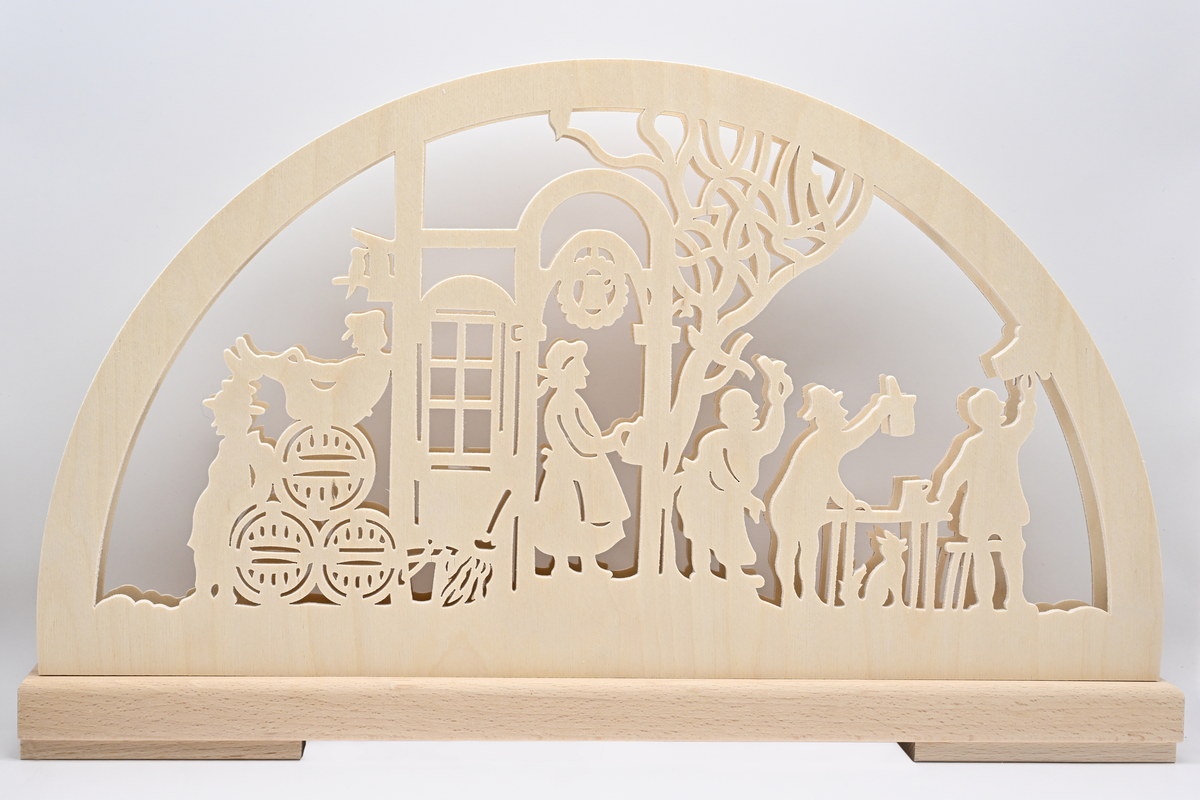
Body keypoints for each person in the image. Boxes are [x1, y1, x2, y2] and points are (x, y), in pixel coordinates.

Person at [766, 377, 910, 604]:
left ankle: (806, 595)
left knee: (808, 548)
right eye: (837, 407)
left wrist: (880, 409)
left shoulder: (829, 438)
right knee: (790, 548)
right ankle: (789, 596)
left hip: (804, 506)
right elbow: (829, 480)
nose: (843, 411)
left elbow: (856, 436)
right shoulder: (821, 441)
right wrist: (848, 501)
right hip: (789, 505)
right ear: (825, 413)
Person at [676, 356, 791, 587]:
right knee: (704, 535)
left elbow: (772, 436)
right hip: (702, 497)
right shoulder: (715, 440)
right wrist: (745, 497)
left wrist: (777, 403)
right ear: (732, 413)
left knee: (732, 535)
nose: (756, 408)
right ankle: (702, 573)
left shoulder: (750, 441)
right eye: (749, 406)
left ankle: (733, 575)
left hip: (729, 501)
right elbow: (719, 477)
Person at [932, 377, 1037, 610]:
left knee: (999, 552)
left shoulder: (982, 442)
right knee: (1001, 552)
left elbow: (953, 477)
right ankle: (999, 601)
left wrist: (941, 503)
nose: (1001, 406)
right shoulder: (994, 440)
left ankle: (1003, 601)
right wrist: (1028, 398)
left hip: (996, 509)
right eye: (996, 405)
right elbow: (953, 476)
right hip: (992, 510)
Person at [532, 340, 633, 575]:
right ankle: (564, 565)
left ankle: (587, 563)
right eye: (580, 366)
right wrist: (615, 439)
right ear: (566, 371)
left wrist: (610, 440)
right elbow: (584, 443)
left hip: (581, 472)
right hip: (573, 475)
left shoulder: (571, 401)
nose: (586, 371)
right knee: (572, 517)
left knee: (583, 518)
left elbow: (586, 441)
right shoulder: (564, 403)